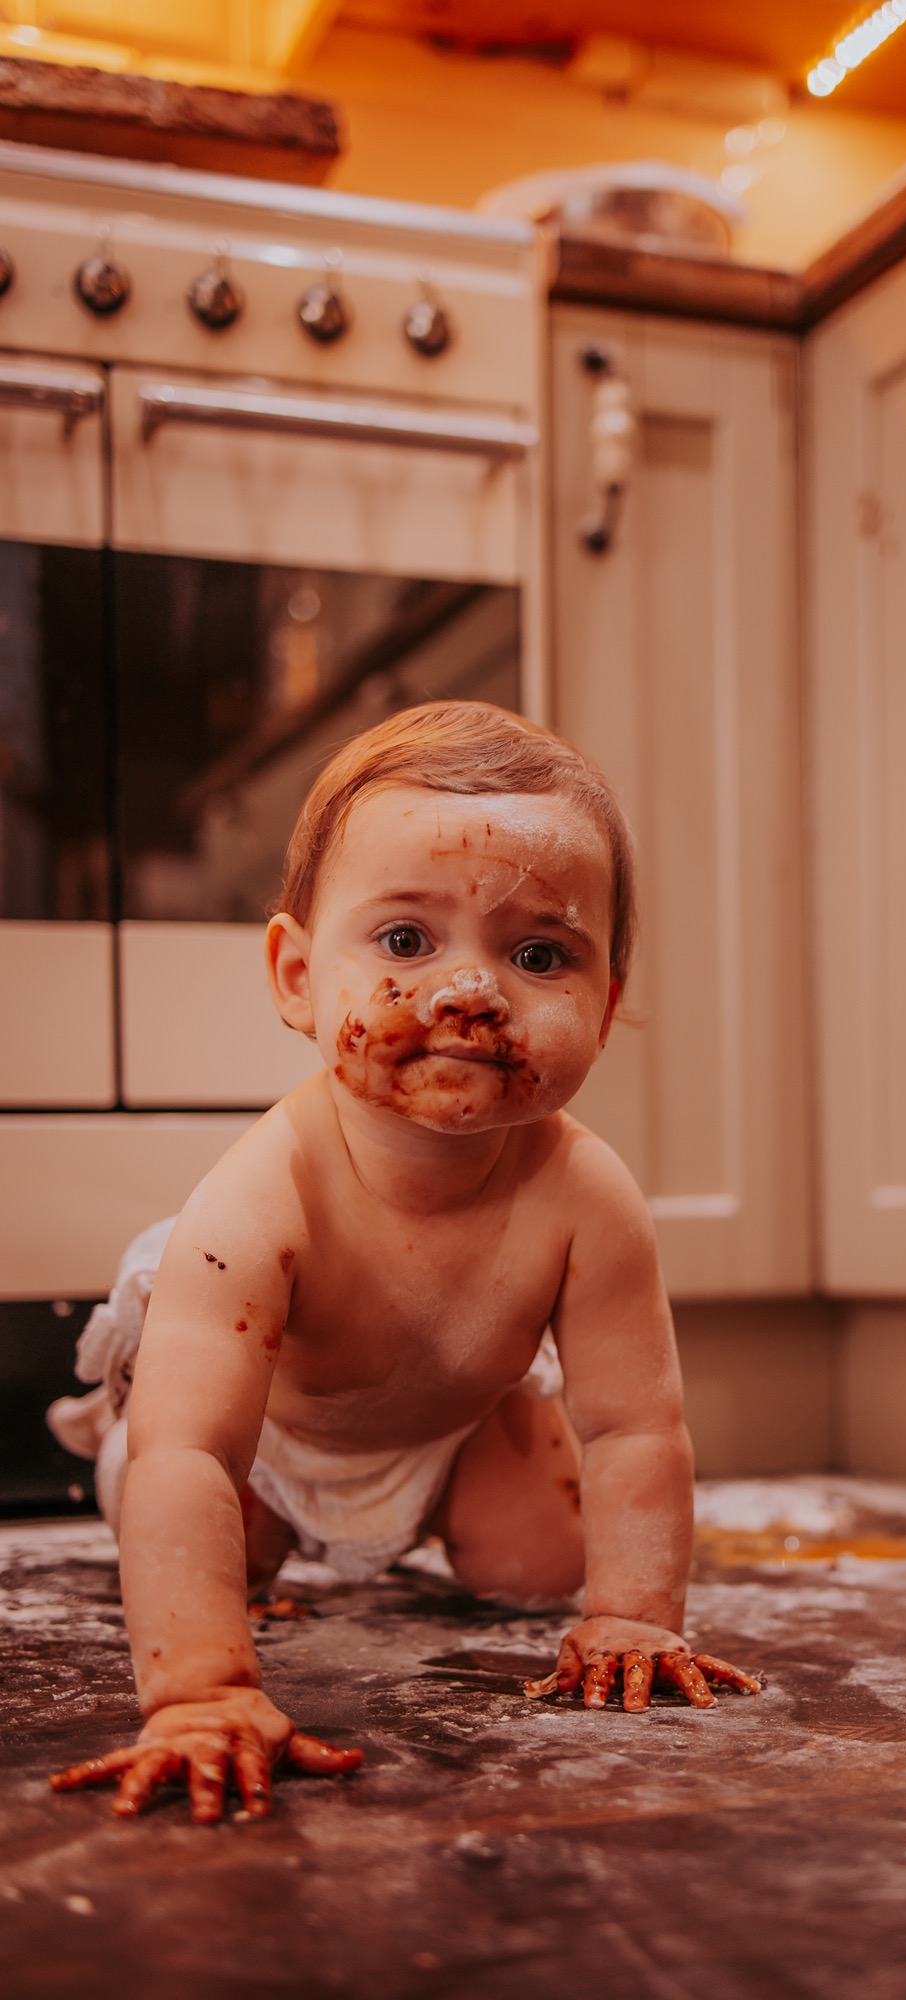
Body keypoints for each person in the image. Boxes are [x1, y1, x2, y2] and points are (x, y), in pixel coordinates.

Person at [49, 700, 759, 1826]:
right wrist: (201, 1689)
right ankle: (207, 1542)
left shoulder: (588, 1195)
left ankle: (439, 1517)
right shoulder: (258, 1196)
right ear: (295, 975)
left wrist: (631, 1610)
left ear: (607, 1003)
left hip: (443, 1429)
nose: (470, 993)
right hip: (258, 1446)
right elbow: (195, 1447)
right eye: (404, 940)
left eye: (538, 954)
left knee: (541, 1559)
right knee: (201, 1543)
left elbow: (632, 1424)